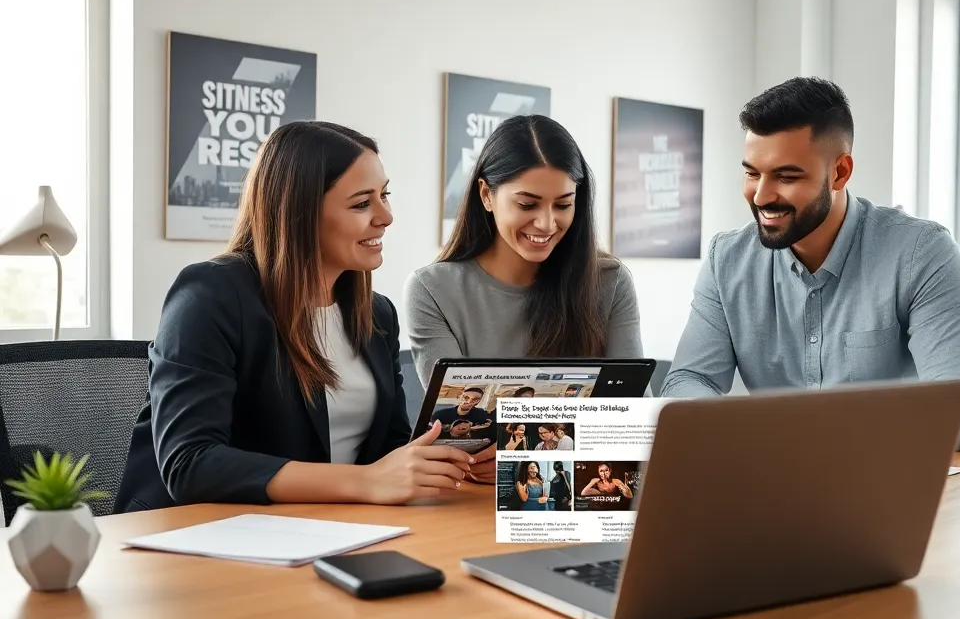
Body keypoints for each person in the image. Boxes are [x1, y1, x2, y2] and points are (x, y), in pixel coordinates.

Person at [114, 121, 478, 513]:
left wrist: (455, 461)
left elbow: (387, 449)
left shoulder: (377, 314)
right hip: (198, 536)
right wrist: (366, 482)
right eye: (361, 203)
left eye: (384, 195)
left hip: (329, 529)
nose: (385, 216)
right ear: (298, 212)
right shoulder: (209, 295)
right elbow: (190, 464)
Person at [659, 77, 960, 451]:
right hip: (771, 482)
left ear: (840, 172)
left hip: (885, 485)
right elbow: (687, 382)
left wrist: (810, 428)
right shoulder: (726, 260)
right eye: (752, 173)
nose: (760, 196)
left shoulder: (920, 252)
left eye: (786, 176)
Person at [404, 114, 644, 391]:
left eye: (563, 205)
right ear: (486, 195)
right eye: (527, 205)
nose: (546, 223)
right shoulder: (432, 290)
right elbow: (458, 414)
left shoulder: (610, 282)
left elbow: (634, 410)